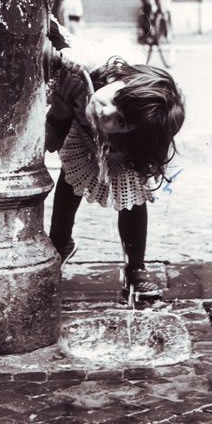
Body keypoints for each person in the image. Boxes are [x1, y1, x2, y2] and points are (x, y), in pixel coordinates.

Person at [46, 46, 185, 300]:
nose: (105, 110)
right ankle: (59, 243)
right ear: (115, 79)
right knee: (70, 178)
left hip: (120, 145)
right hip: (83, 131)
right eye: (115, 98)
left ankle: (135, 269)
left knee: (130, 196)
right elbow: (60, 107)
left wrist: (123, 148)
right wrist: (55, 129)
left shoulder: (138, 125)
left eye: (120, 120)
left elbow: (148, 132)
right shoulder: (83, 72)